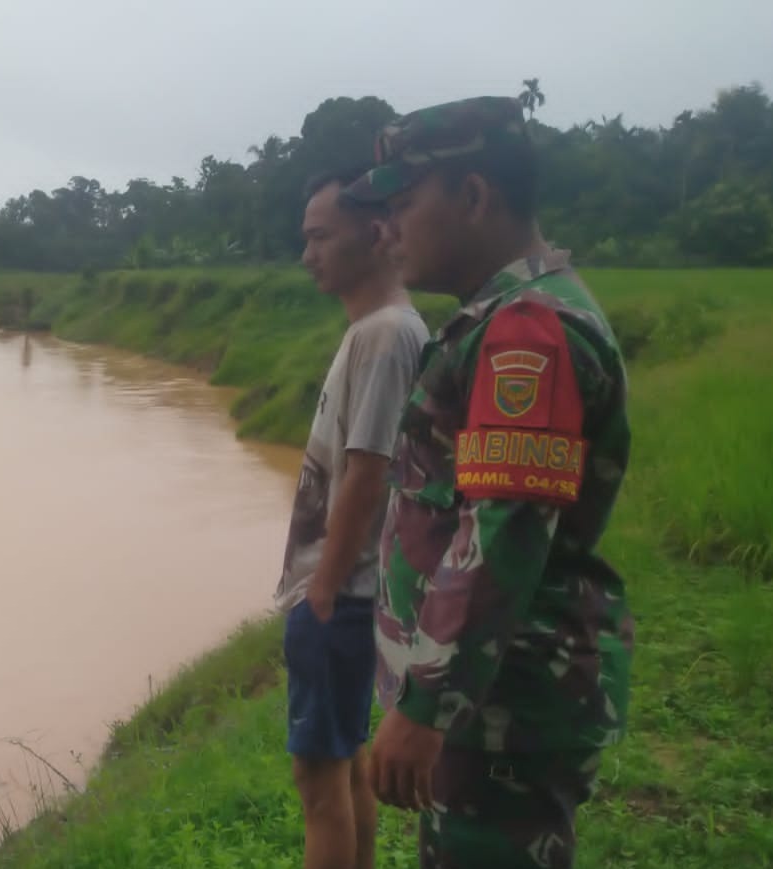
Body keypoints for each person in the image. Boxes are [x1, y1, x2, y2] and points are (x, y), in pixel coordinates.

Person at [341, 96, 634, 869]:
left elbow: (501, 528)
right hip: (489, 694)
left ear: (473, 197)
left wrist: (429, 701)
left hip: (500, 702)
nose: (387, 226)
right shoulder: (498, 314)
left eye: (405, 202)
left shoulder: (527, 331)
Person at [275, 167, 429, 869]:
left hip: (341, 592)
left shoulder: (384, 334)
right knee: (344, 758)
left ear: (373, 235)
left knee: (318, 783)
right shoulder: (383, 329)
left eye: (320, 237)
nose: (309, 253)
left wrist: (323, 589)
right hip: (355, 591)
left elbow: (367, 470)